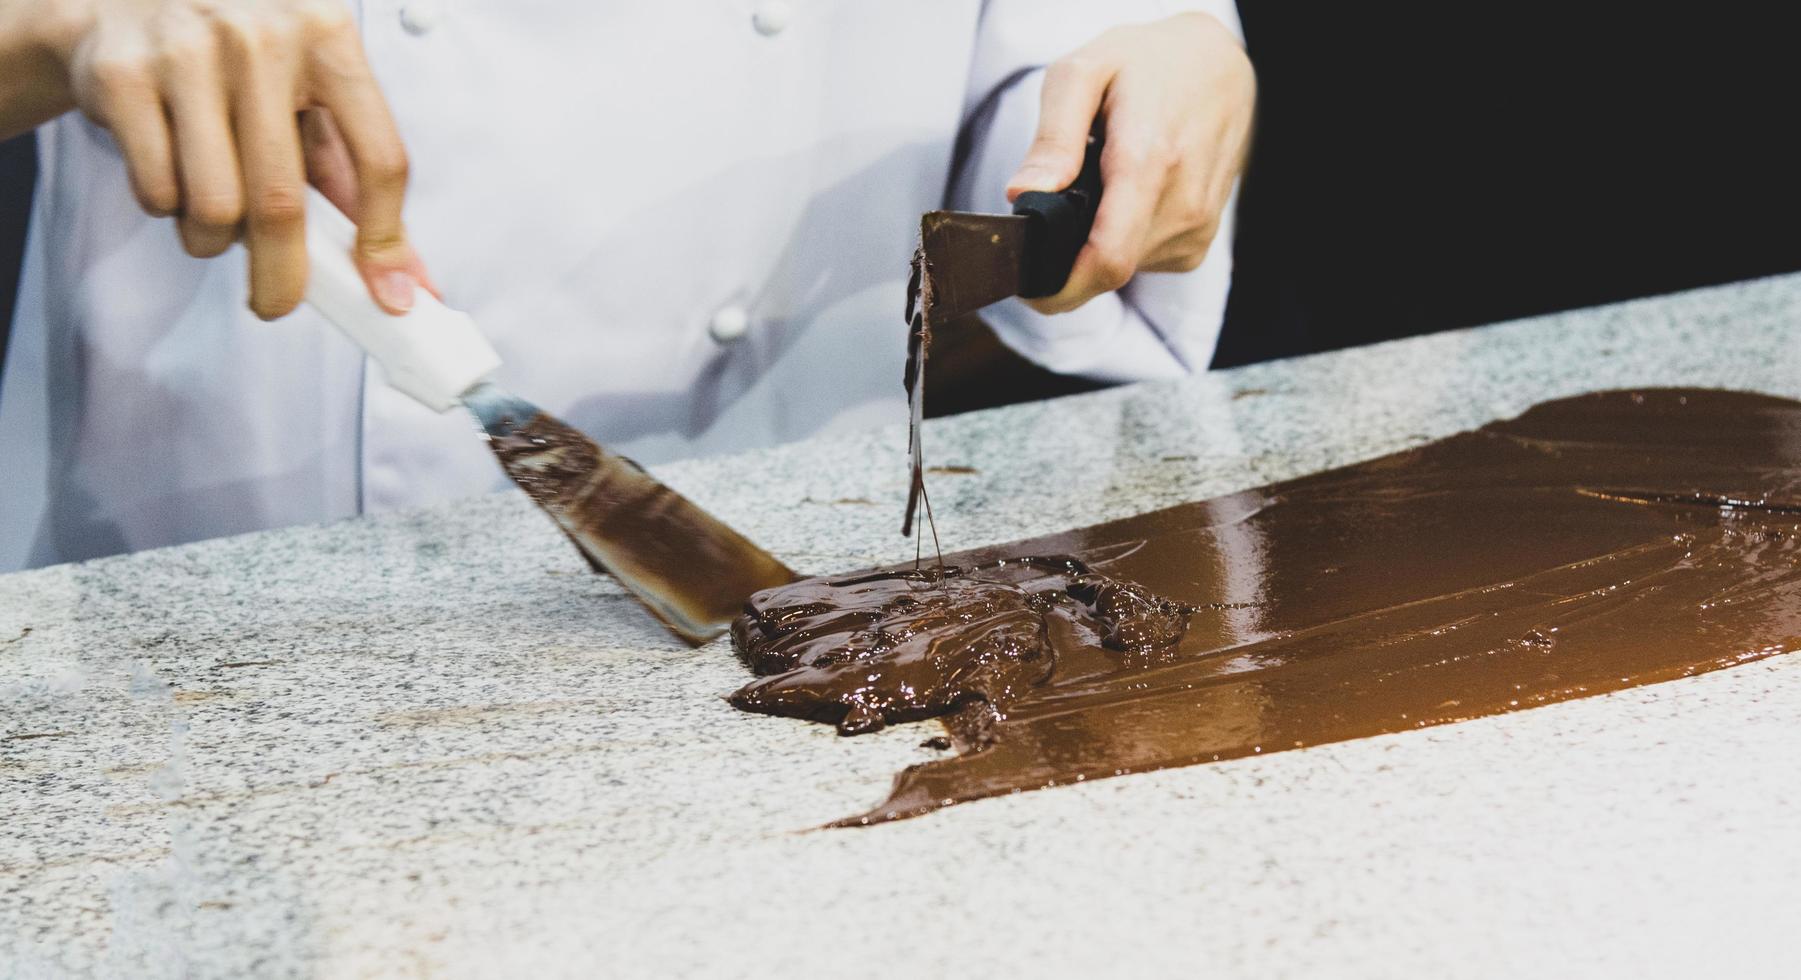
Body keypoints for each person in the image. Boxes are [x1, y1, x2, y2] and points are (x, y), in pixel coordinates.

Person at [0, 0, 1255, 570]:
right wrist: (60, 27)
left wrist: (1169, 63)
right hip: (194, 566)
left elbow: (1058, 83)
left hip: (784, 549)